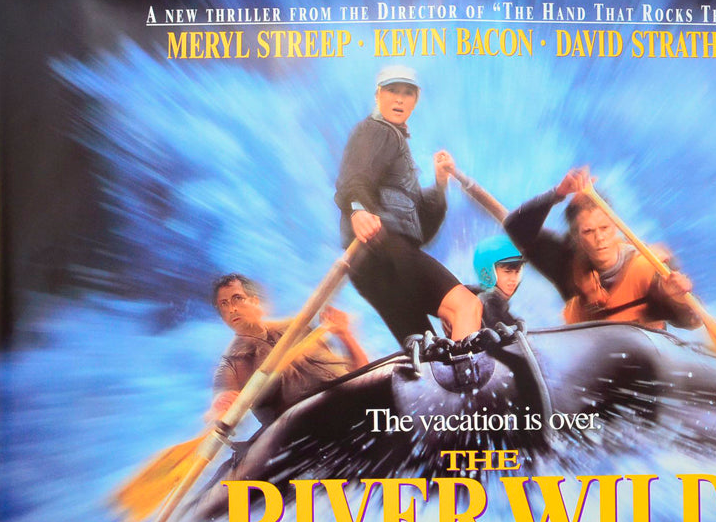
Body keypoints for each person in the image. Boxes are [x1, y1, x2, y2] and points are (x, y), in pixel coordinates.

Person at [334, 65, 481, 344]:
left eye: (407, 93)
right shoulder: (376, 130)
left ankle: (446, 368)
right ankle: (467, 369)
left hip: (371, 268)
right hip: (384, 250)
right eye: (392, 91)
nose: (399, 99)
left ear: (415, 100)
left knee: (426, 350)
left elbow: (420, 233)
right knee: (466, 306)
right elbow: (355, 175)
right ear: (378, 95)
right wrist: (358, 209)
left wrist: (440, 183)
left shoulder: (398, 148)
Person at [503, 167, 701, 331]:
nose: (599, 238)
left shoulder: (653, 267)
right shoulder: (566, 263)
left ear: (615, 227)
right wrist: (558, 193)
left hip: (644, 358)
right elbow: (515, 227)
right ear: (576, 237)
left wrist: (679, 300)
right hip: (593, 358)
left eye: (604, 228)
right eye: (588, 231)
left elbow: (691, 321)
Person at [208, 273, 368, 426]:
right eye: (224, 304)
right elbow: (219, 412)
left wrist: (345, 335)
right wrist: (221, 404)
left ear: (255, 301)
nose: (232, 309)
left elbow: (360, 372)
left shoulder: (297, 327)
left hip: (350, 405)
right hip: (304, 431)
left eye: (237, 299)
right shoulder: (231, 364)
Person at [471, 234, 526, 329]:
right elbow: (497, 326)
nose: (513, 279)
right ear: (487, 272)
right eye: (508, 272)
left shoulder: (498, 302)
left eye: (517, 272)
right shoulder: (488, 301)